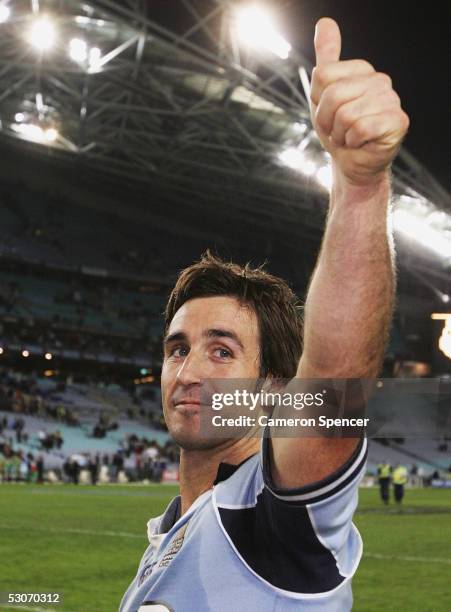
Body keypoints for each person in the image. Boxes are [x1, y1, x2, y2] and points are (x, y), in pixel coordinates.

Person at [119, 17, 409, 612]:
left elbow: (336, 376)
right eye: (178, 348)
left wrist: (359, 184)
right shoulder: (170, 532)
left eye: (223, 351)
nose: (190, 370)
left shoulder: (274, 520)